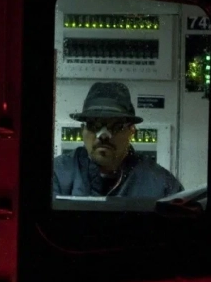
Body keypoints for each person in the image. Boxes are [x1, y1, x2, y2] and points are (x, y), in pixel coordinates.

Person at [53, 81, 183, 198]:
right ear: (83, 130)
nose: (103, 135)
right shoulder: (57, 174)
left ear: (131, 131)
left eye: (115, 127)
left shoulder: (161, 184)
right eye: (93, 125)